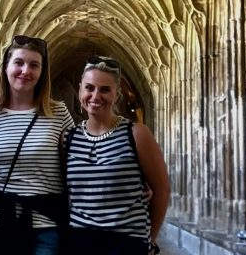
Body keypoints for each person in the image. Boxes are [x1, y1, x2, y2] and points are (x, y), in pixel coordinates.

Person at [0, 35, 75, 255]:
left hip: (45, 226)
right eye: (19, 63)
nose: (25, 71)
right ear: (6, 67)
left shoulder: (57, 113)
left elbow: (77, 163)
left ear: (42, 73)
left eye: (34, 65)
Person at [63, 56, 170, 255]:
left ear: (117, 94)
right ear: (79, 90)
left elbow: (162, 188)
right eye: (89, 88)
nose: (95, 96)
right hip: (79, 241)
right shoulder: (69, 138)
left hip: (126, 242)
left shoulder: (136, 133)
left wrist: (149, 239)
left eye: (105, 89)